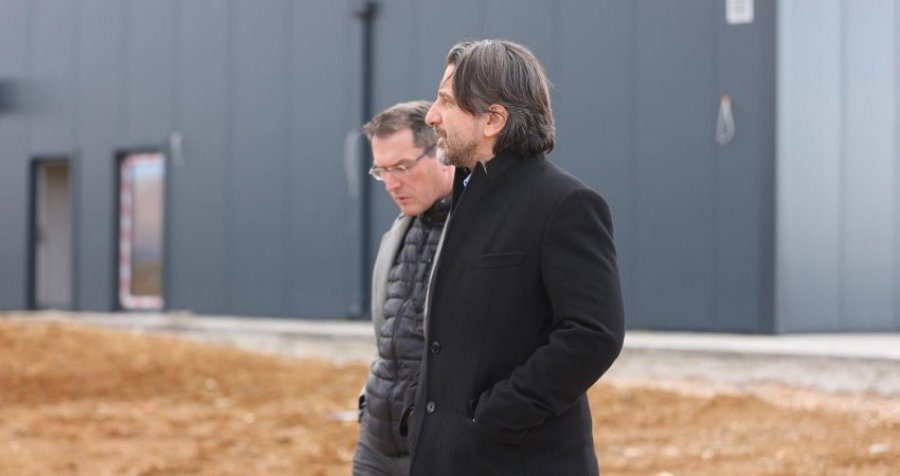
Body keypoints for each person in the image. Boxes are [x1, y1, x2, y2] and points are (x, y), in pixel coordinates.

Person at [402, 40, 626, 476]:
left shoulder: (565, 203)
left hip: (517, 458)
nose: (431, 116)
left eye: (446, 101)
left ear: (493, 119)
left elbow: (593, 334)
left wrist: (498, 414)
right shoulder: (468, 195)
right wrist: (420, 415)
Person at [352, 100, 454, 476]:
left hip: (441, 446)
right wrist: (369, 404)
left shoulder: (482, 236)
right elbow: (388, 340)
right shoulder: (397, 233)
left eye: (402, 167)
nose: (392, 184)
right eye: (382, 171)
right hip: (377, 444)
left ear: (442, 151)